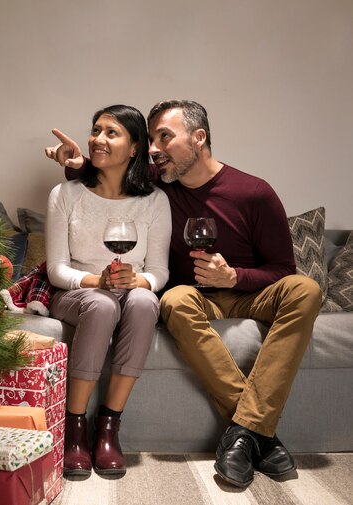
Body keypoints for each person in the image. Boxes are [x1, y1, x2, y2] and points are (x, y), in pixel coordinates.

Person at [45, 99, 322, 488]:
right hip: (193, 295)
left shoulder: (255, 193)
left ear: (199, 137)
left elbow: (283, 271)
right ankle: (258, 434)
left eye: (165, 138)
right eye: (152, 139)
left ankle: (247, 430)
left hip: (248, 292)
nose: (156, 149)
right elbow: (110, 179)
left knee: (306, 290)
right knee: (172, 300)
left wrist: (235, 277)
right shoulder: (159, 185)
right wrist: (77, 164)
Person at [45, 104, 171, 478]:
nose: (98, 139)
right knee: (101, 305)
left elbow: (158, 271)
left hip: (126, 293)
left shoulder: (154, 201)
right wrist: (96, 282)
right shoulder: (65, 194)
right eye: (95, 130)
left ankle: (108, 429)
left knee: (147, 301)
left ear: (134, 148)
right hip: (77, 294)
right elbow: (56, 270)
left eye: (111, 133)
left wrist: (139, 282)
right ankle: (74, 430)